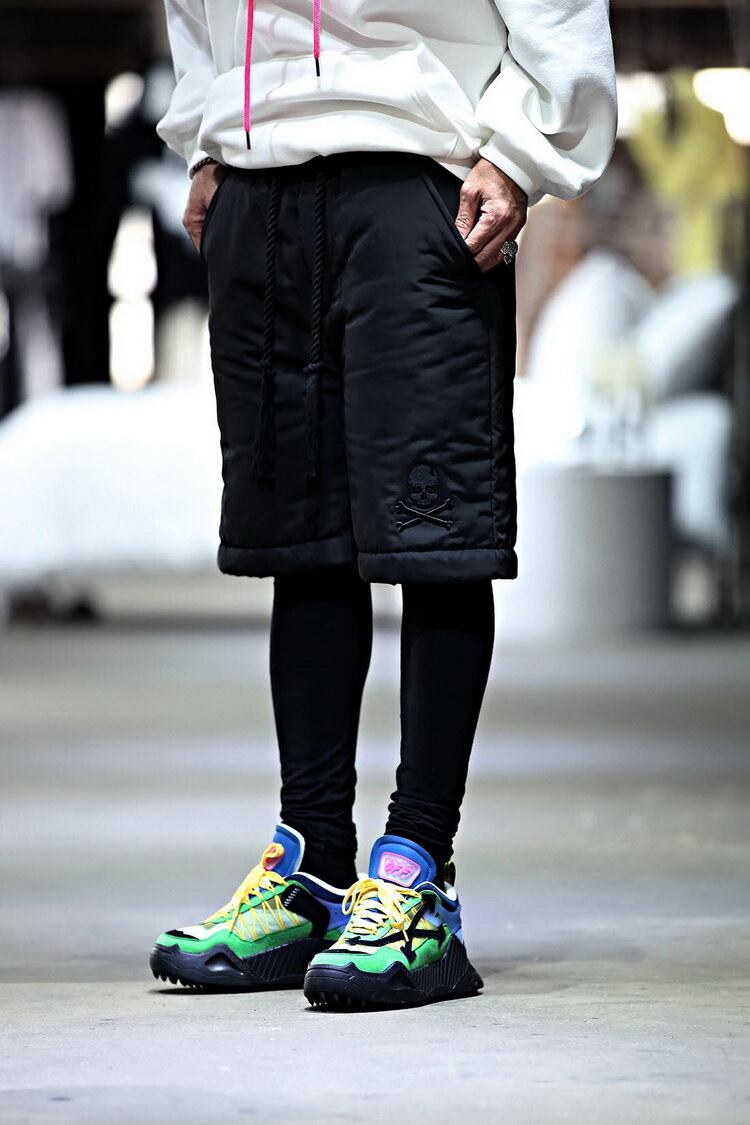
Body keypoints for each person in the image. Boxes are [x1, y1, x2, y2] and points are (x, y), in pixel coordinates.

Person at [150, 0, 616, 1009]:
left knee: (434, 537)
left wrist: (521, 152)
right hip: (257, 184)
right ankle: (313, 864)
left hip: (420, 178)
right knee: (303, 542)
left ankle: (418, 875)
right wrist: (206, 135)